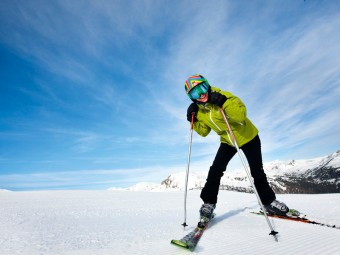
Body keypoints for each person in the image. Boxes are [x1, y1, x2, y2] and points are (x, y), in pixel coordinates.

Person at [184, 74, 289, 222]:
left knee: (256, 171)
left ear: (207, 85)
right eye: (194, 93)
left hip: (248, 137)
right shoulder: (200, 110)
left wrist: (223, 102)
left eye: (201, 88)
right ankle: (208, 204)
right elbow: (204, 132)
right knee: (215, 170)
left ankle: (269, 202)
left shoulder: (224, 96)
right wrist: (193, 120)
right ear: (191, 97)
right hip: (228, 141)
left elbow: (240, 116)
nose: (200, 95)